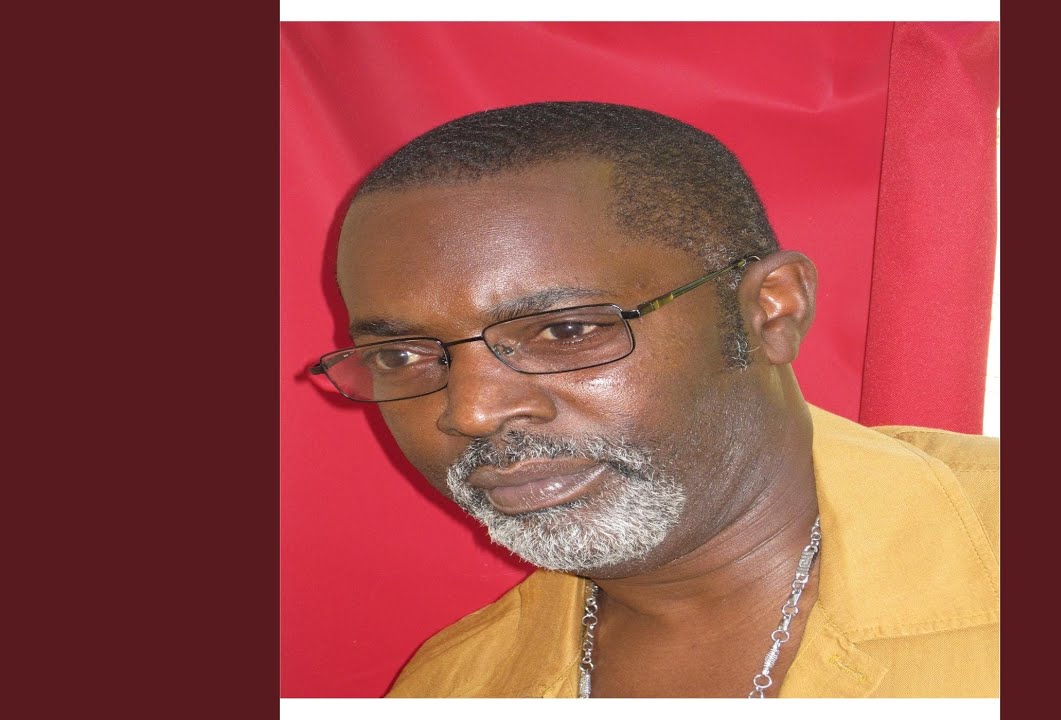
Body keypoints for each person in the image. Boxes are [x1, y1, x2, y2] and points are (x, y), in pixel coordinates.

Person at [309, 101, 999, 698]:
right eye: (399, 357)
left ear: (770, 311)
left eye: (565, 331)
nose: (472, 412)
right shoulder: (454, 687)